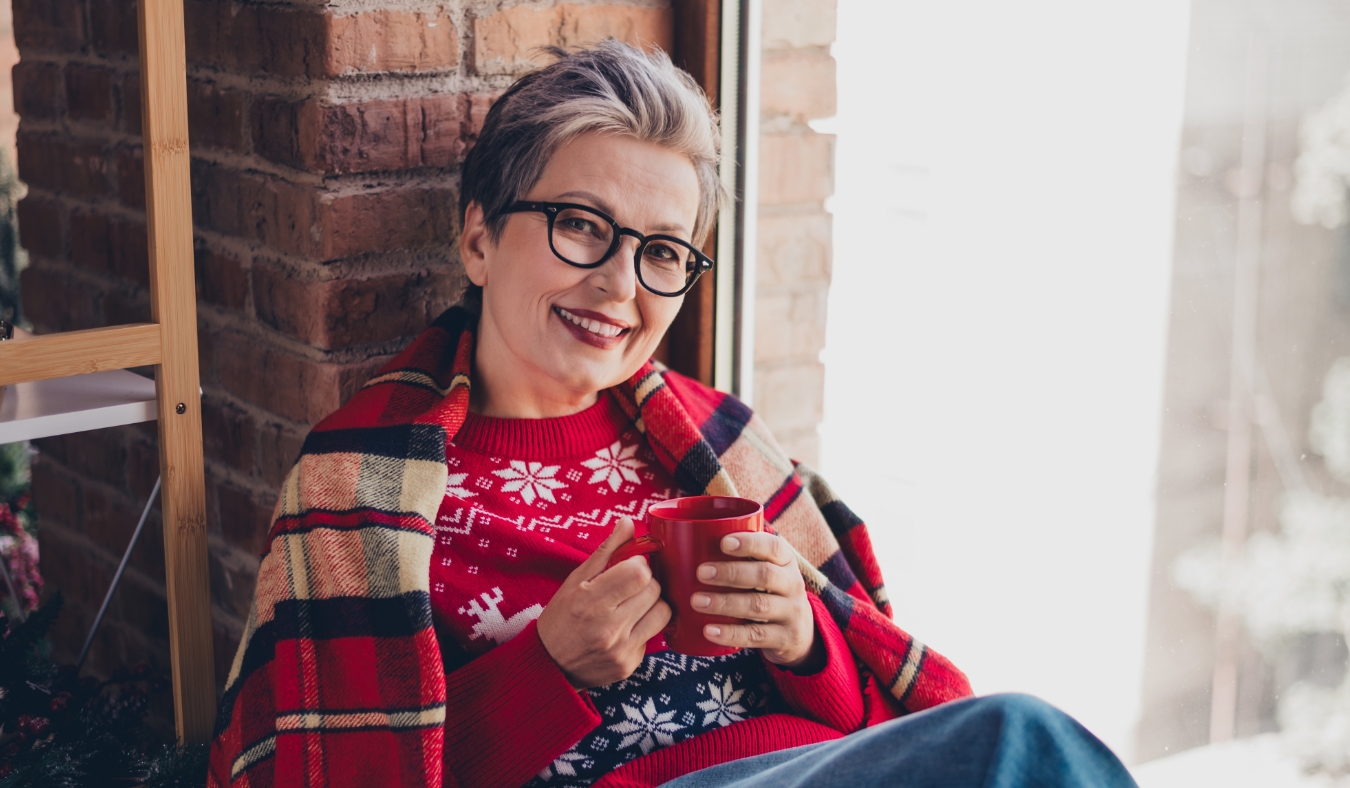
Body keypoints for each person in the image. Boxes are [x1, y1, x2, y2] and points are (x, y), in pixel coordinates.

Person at [207, 42, 1137, 788]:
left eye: (662, 252)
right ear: (480, 236)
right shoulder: (363, 489)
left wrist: (807, 640)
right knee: (1025, 743)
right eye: (580, 226)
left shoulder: (723, 444)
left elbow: (896, 728)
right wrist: (550, 669)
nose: (619, 284)